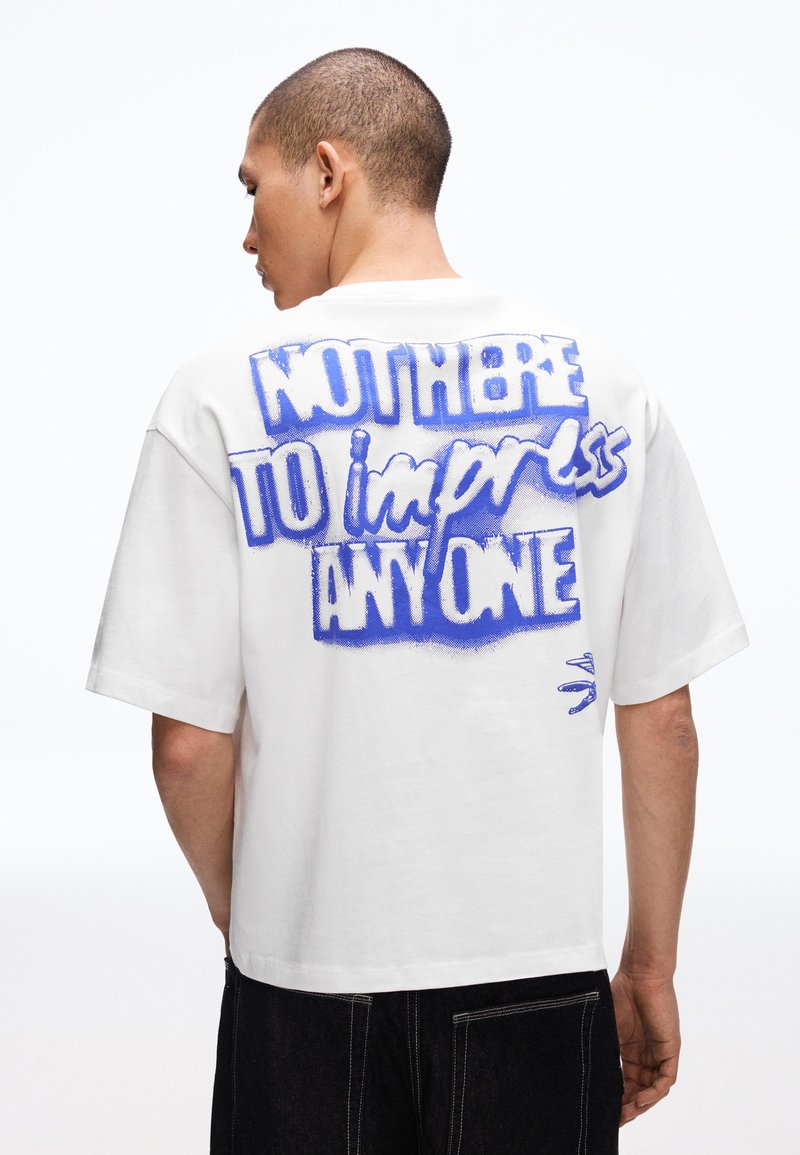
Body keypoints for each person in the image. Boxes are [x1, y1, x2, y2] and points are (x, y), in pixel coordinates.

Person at [85, 46, 749, 1154]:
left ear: (327, 172)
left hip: (307, 981)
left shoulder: (215, 397)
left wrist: (256, 913)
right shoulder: (605, 385)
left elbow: (187, 746)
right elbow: (662, 715)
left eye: (254, 189)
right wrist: (648, 964)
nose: (247, 235)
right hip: (538, 976)